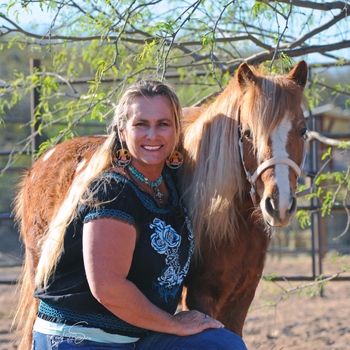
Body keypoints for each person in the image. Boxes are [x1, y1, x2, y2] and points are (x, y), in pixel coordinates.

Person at [31, 80, 247, 349]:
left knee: (222, 344)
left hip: (141, 335)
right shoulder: (111, 191)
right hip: (82, 337)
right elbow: (108, 288)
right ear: (123, 131)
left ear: (177, 130)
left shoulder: (171, 182)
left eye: (163, 124)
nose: (153, 135)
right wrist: (174, 325)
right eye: (141, 124)